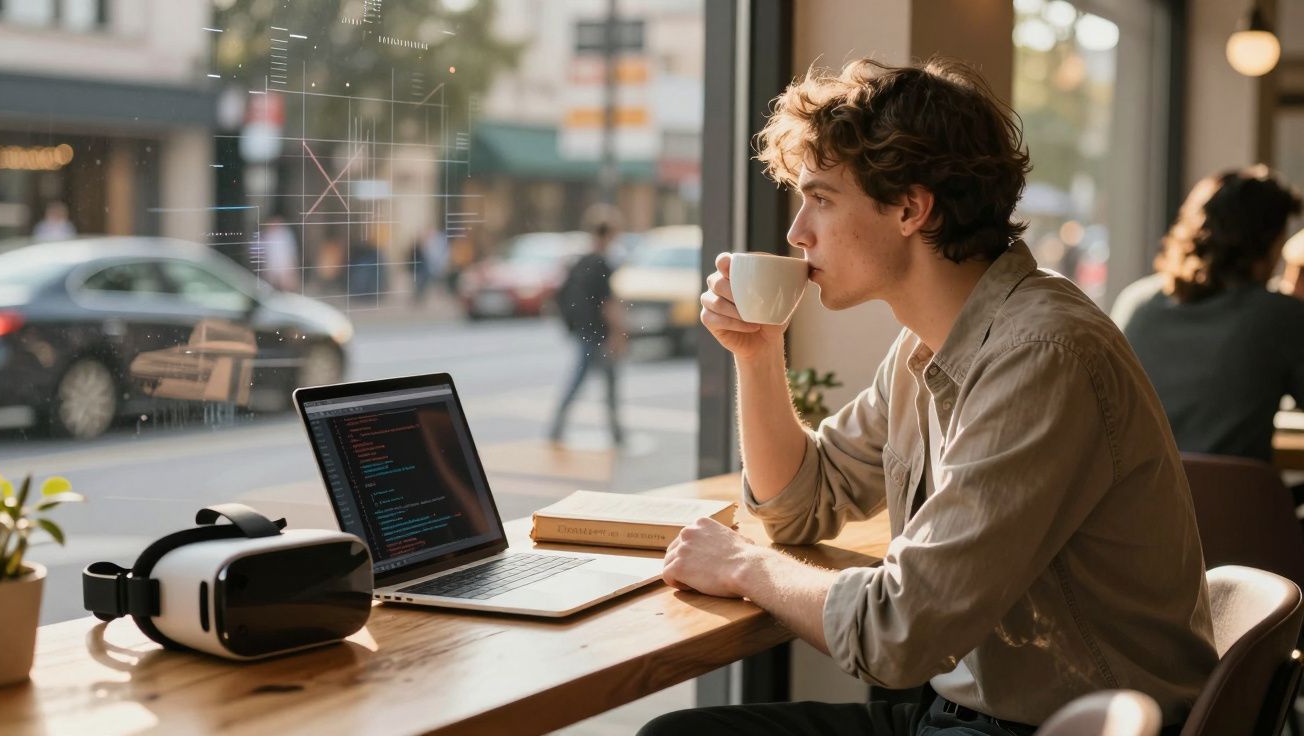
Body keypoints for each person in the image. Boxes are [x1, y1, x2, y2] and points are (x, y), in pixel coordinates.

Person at [641, 58, 1215, 736]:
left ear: (911, 208)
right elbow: (798, 508)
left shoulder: (1040, 356)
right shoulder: (925, 349)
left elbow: (897, 633)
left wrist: (741, 565)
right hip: (965, 712)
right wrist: (759, 352)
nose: (797, 232)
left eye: (821, 199)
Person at [1112, 166, 1304, 467]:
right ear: (1267, 244)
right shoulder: (1279, 316)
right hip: (1235, 509)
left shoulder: (1136, 303)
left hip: (1140, 506)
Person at [549, 209, 627, 446]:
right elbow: (608, 304)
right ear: (611, 233)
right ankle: (616, 434)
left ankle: (557, 428)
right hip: (600, 334)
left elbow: (562, 296)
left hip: (585, 331)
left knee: (580, 381)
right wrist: (618, 334)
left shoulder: (581, 260)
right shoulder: (602, 262)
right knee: (606, 384)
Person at [258, 215, 299, 292]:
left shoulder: (286, 234)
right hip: (272, 267)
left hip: (284, 266)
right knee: (272, 287)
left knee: (286, 287)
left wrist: (291, 267)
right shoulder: (267, 235)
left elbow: (291, 251)